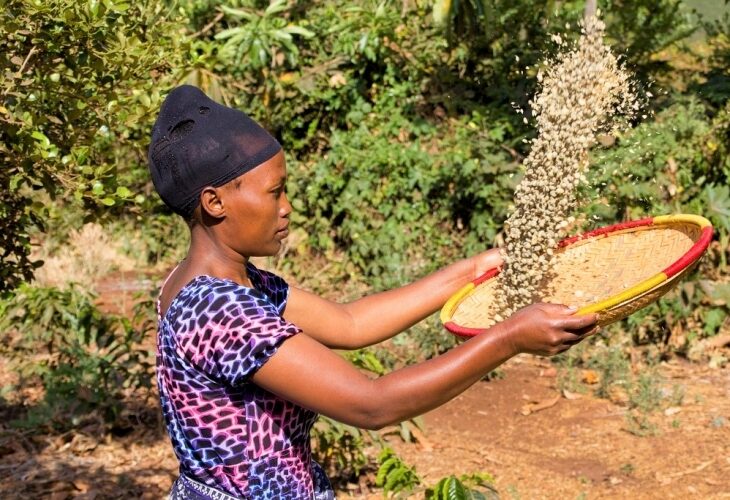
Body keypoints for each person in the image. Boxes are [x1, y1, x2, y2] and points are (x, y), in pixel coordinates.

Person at [148, 85, 598, 500]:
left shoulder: (219, 283)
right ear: (215, 202)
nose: (286, 209)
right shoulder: (219, 309)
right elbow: (371, 404)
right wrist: (508, 338)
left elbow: (351, 323)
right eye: (275, 193)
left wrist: (471, 270)